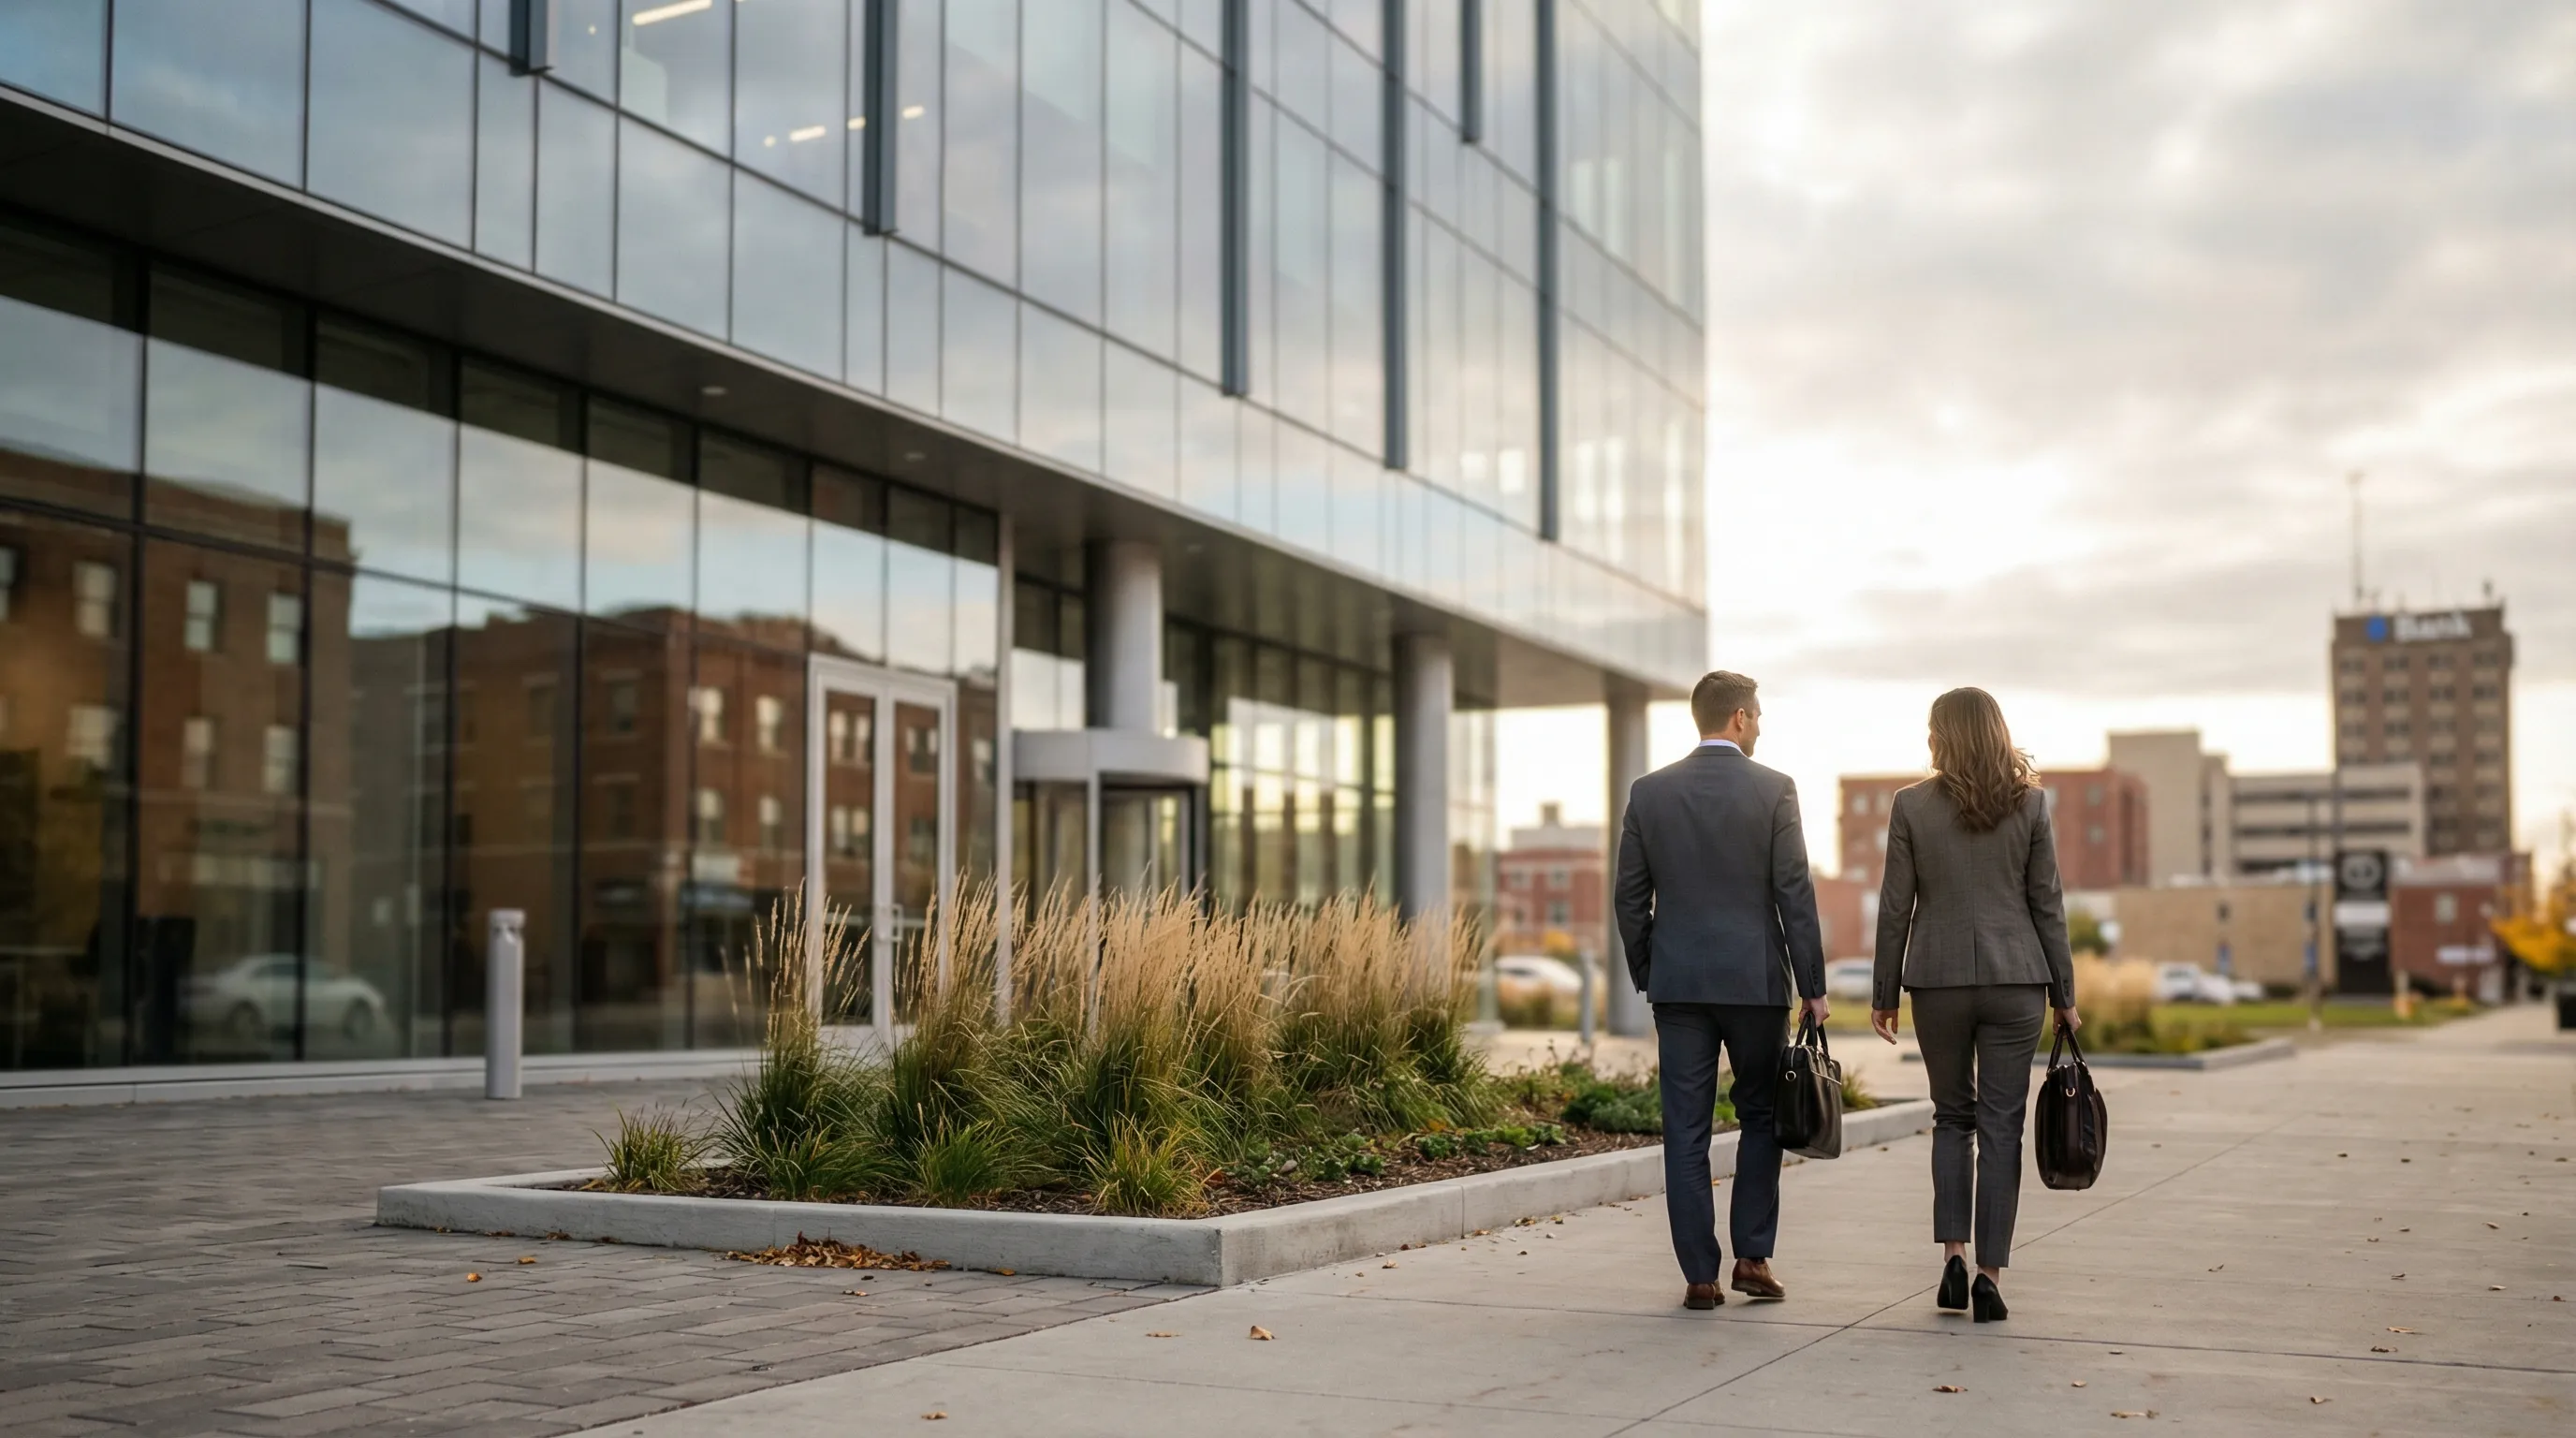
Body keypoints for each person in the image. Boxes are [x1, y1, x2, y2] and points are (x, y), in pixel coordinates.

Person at [1614, 670, 1829, 1311]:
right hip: (1755, 982)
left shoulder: (1649, 793)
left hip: (1678, 985)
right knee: (1761, 1115)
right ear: (1738, 717)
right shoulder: (1774, 790)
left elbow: (1630, 897)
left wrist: (1652, 970)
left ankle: (1700, 1277)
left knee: (1685, 1130)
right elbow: (1795, 892)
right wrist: (1813, 985)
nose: (1759, 726)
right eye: (1757, 716)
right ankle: (1753, 1260)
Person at [1867, 687, 2081, 1323]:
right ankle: (1990, 1275)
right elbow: (2048, 904)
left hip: (1937, 982)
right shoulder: (2032, 806)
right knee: (2000, 1127)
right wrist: (2065, 995)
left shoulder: (1911, 806)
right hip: (2017, 981)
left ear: (1941, 737)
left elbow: (1892, 906)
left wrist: (1884, 992)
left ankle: (1953, 1258)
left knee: (1952, 1119)